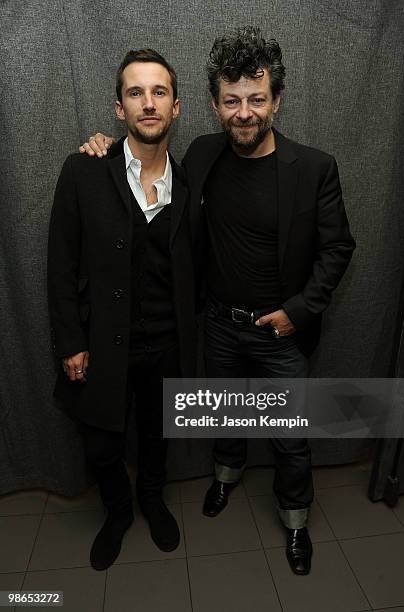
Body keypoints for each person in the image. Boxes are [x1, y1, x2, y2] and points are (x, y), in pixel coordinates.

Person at [79, 26, 356, 575]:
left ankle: (296, 520)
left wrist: (298, 312)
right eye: (232, 101)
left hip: (282, 331)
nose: (244, 113)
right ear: (213, 105)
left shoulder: (315, 169)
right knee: (226, 415)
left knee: (289, 435)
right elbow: (140, 161)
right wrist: (102, 146)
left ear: (277, 99)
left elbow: (339, 247)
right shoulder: (202, 155)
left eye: (257, 99)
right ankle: (226, 479)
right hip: (218, 326)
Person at [48, 49, 197, 571]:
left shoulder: (193, 180)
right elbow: (60, 265)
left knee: (157, 436)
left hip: (168, 343)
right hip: (102, 344)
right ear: (119, 108)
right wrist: (71, 342)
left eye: (159, 92)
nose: (148, 103)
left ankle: (151, 499)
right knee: (102, 444)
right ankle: (117, 512)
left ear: (176, 107)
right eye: (136, 93)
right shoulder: (85, 170)